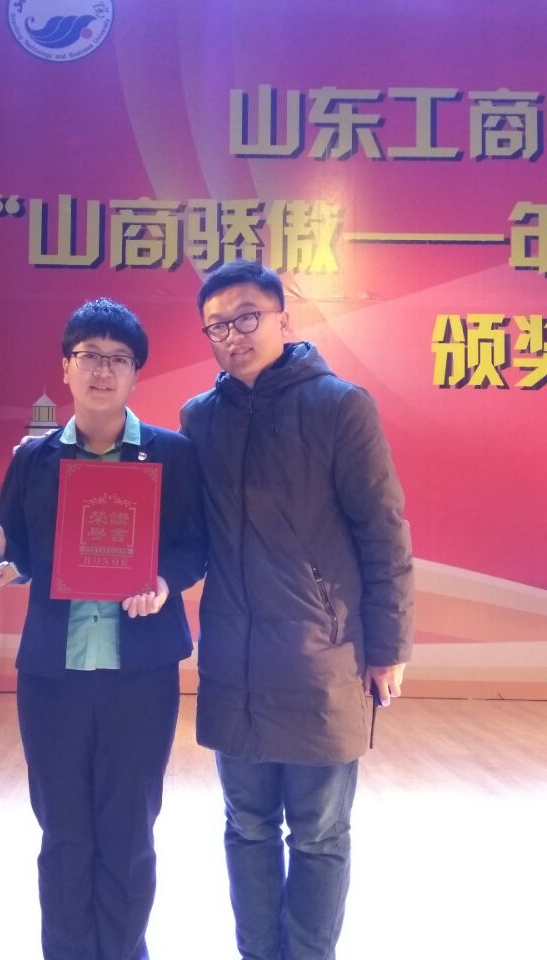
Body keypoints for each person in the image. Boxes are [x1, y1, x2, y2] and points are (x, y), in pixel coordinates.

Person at [0, 298, 206, 960]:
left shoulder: (172, 454)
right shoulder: (33, 460)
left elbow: (193, 546)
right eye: (89, 356)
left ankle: (123, 951)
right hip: (52, 679)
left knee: (129, 831)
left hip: (139, 676)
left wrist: (164, 582)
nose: (102, 370)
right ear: (66, 367)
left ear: (136, 373)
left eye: (119, 359)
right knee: (62, 831)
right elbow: (18, 558)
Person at [180, 261, 414, 960]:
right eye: (217, 325)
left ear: (285, 319)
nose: (233, 334)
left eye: (247, 317)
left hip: (324, 661)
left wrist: (388, 647)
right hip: (233, 663)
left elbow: (383, 531)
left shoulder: (340, 407)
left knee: (318, 834)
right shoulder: (199, 419)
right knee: (247, 827)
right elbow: (188, 536)